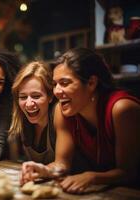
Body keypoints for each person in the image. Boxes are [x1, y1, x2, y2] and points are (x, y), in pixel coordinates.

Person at [20, 48, 140, 193]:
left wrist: (92, 177)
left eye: (65, 83)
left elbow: (129, 172)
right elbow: (62, 163)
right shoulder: (62, 111)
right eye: (55, 84)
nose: (57, 91)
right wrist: (45, 170)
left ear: (91, 83)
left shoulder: (122, 108)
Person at [8, 61, 56, 164]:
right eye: (23, 97)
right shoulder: (20, 119)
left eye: (36, 96)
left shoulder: (58, 117)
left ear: (50, 96)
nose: (29, 104)